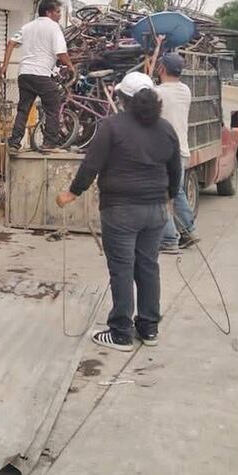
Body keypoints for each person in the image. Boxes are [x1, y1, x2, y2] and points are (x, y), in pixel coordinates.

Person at [55, 72, 182, 352]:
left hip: (121, 210)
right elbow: (176, 170)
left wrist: (72, 193)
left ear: (122, 98)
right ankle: (149, 329)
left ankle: (121, 333)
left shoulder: (112, 126)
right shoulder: (166, 129)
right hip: (156, 210)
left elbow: (91, 166)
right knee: (148, 266)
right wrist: (170, 197)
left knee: (122, 269)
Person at [0, 0, 74, 153]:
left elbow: (11, 43)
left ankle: (14, 143)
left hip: (25, 74)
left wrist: (5, 65)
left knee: (23, 109)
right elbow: (61, 53)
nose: (60, 15)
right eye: (57, 11)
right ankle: (49, 143)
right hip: (42, 74)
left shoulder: (27, 27)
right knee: (53, 107)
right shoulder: (54, 27)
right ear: (49, 12)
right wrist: (71, 66)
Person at [154, 53, 199, 253]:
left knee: (162, 194)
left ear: (162, 69)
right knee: (177, 191)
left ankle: (169, 240)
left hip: (163, 153)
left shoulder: (156, 94)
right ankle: (189, 231)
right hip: (181, 150)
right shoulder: (185, 90)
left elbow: (142, 97)